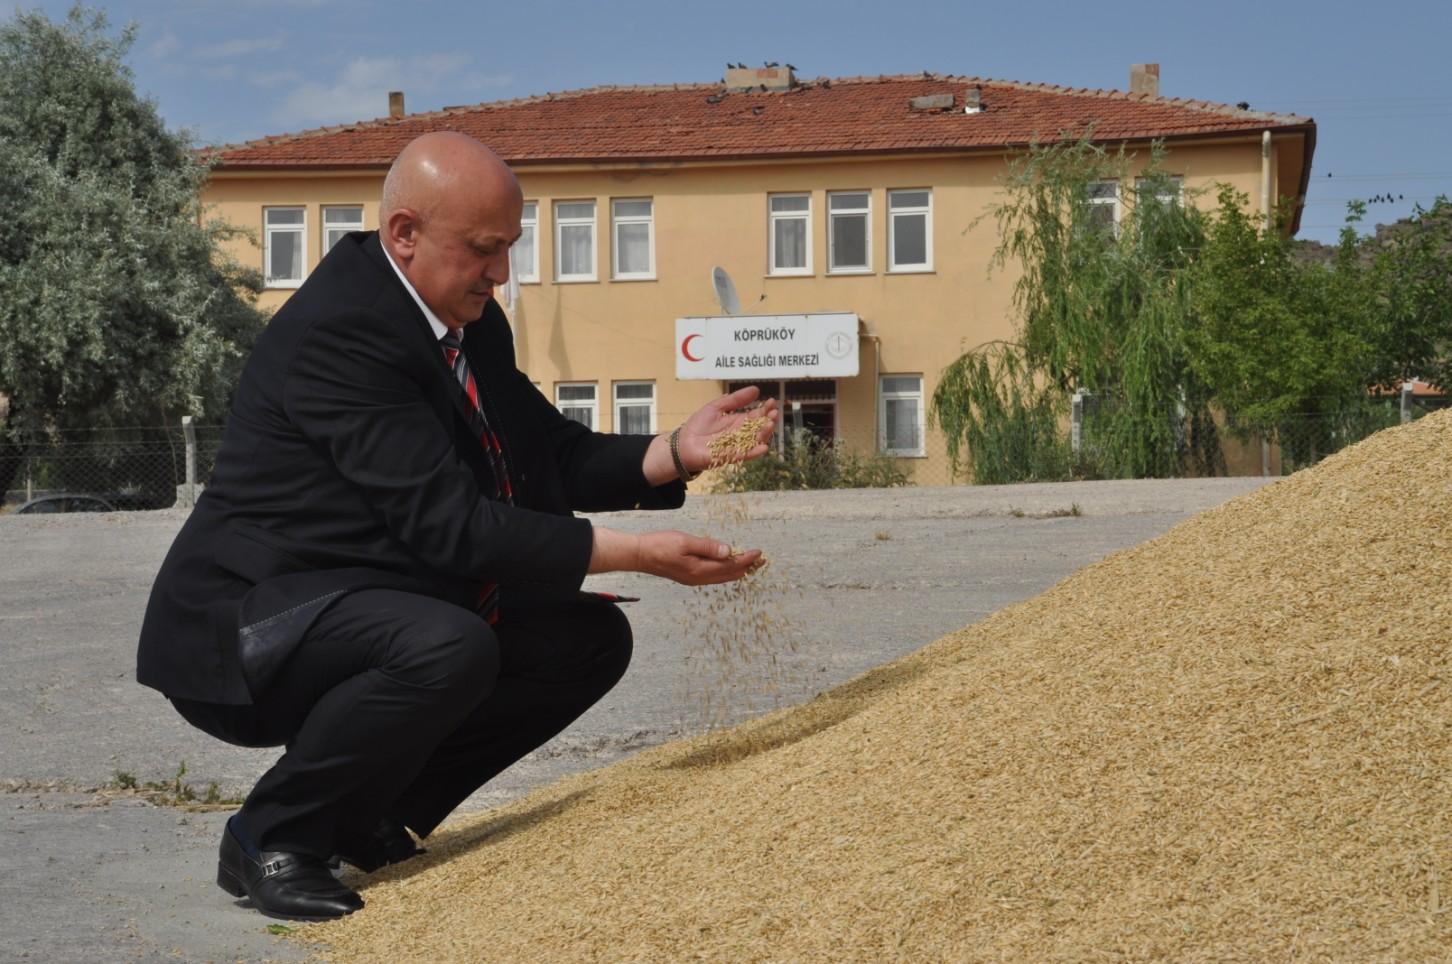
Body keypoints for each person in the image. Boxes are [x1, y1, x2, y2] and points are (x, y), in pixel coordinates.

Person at [136, 131, 778, 921]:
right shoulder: (343, 333)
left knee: (583, 639)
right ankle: (270, 837)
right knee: (447, 646)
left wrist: (676, 450)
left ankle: (373, 816)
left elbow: (543, 450)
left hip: (366, 598)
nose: (501, 272)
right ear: (405, 234)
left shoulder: (467, 320)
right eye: (483, 248)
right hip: (253, 624)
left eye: (508, 246)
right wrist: (639, 555)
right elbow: (451, 527)